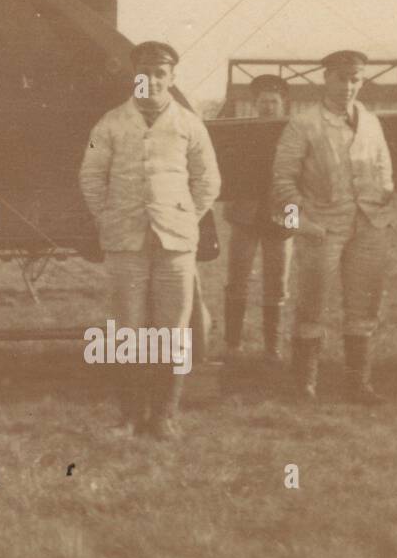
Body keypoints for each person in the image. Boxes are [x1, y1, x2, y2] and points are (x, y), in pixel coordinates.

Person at [79, 41, 221, 439]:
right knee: (129, 329)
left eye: (161, 73)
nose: (153, 80)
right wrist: (106, 217)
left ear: (172, 78)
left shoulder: (190, 125)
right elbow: (90, 175)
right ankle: (128, 417)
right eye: (145, 72)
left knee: (172, 328)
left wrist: (184, 216)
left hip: (175, 243)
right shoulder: (108, 124)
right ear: (133, 76)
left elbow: (208, 179)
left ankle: (164, 416)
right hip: (125, 240)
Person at [271, 50, 393, 403]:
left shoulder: (371, 121)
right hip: (320, 227)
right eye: (341, 77)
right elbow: (282, 182)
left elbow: (385, 167)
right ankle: (304, 382)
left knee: (363, 305)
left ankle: (358, 383)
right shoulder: (305, 123)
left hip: (368, 226)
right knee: (312, 304)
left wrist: (384, 200)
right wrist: (301, 221)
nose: (348, 86)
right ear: (326, 78)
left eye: (356, 78)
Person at [223, 74, 294, 363]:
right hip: (246, 215)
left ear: (283, 104)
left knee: (276, 284)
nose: (268, 107)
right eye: (263, 102)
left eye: (273, 102)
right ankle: (232, 344)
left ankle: (272, 348)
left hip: (281, 215)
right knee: (238, 280)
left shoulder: (294, 132)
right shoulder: (243, 131)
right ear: (255, 104)